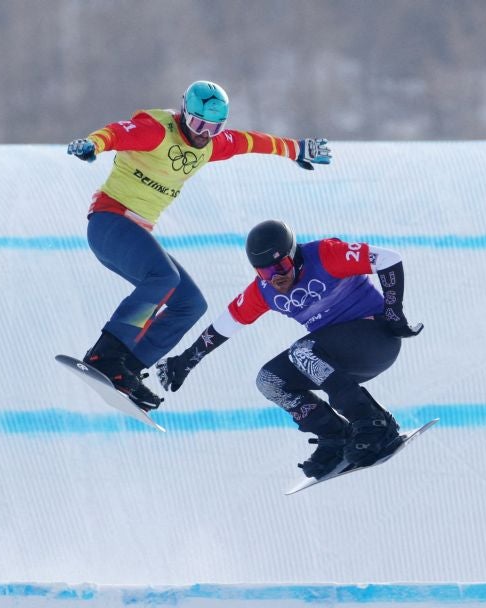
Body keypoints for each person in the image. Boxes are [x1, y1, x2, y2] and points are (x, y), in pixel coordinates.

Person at [65, 80, 332, 411]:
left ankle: (128, 370)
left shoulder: (211, 145)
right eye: (197, 123)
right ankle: (104, 356)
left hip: (136, 232)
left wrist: (295, 150)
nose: (203, 133)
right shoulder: (157, 130)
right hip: (110, 222)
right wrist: (92, 145)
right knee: (164, 279)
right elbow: (117, 133)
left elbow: (251, 142)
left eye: (213, 128)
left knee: (190, 303)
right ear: (183, 113)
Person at [156, 219, 422, 478]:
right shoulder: (264, 291)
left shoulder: (325, 254)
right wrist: (186, 361)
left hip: (376, 340)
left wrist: (393, 312)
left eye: (281, 266)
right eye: (265, 272)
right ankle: (336, 436)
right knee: (269, 381)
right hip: (338, 359)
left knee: (301, 351)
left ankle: (373, 423)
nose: (277, 278)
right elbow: (226, 324)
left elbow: (388, 259)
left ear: (294, 255)